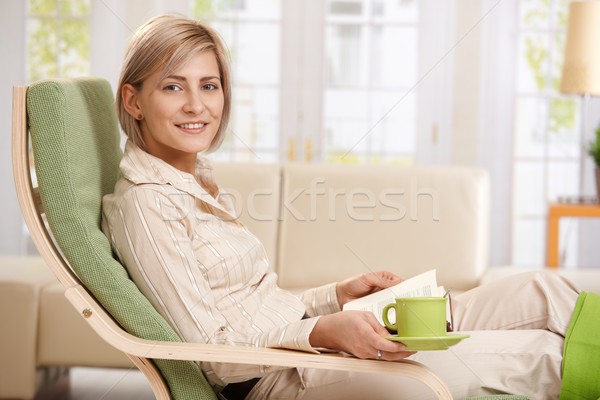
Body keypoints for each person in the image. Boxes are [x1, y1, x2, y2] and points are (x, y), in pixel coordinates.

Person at [102, 14, 581, 399]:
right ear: (134, 100)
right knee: (539, 355)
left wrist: (337, 296)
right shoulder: (147, 204)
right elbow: (206, 355)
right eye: (173, 86)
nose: (197, 105)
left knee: (543, 292)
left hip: (306, 346)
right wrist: (323, 333)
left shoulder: (193, 181)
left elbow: (259, 306)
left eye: (209, 85)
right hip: (281, 378)